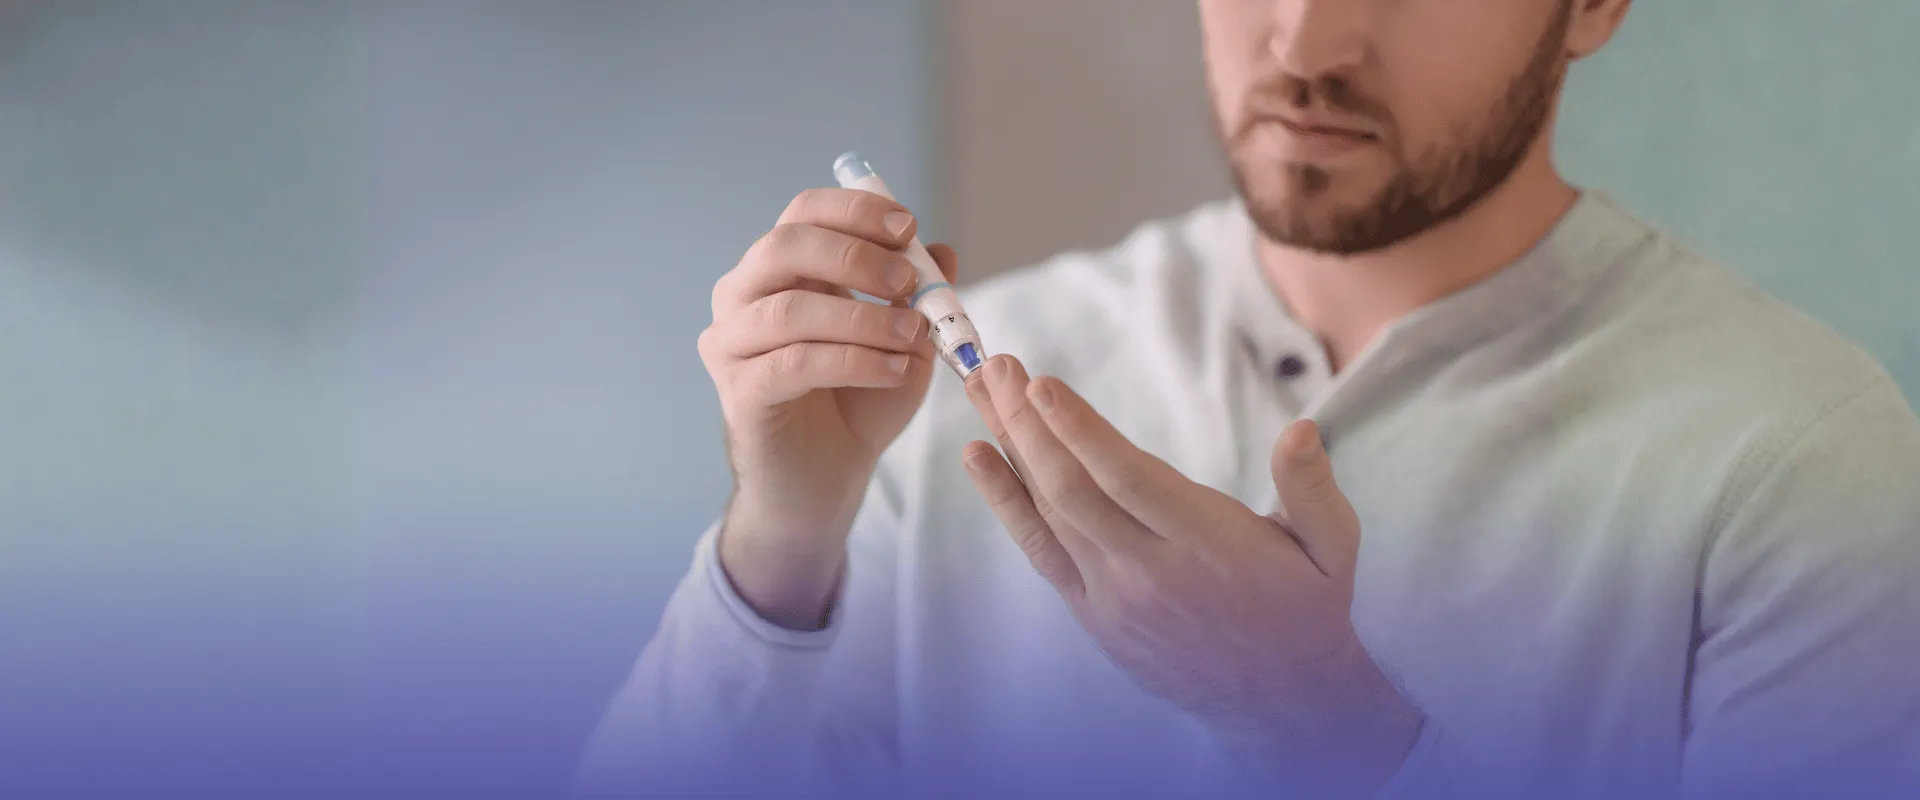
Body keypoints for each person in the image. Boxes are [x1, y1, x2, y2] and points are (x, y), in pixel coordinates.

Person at [579, 1, 1920, 797]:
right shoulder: (962, 380)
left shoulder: (1801, 464)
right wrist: (781, 549)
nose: (1305, 37)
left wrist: (1346, 733)